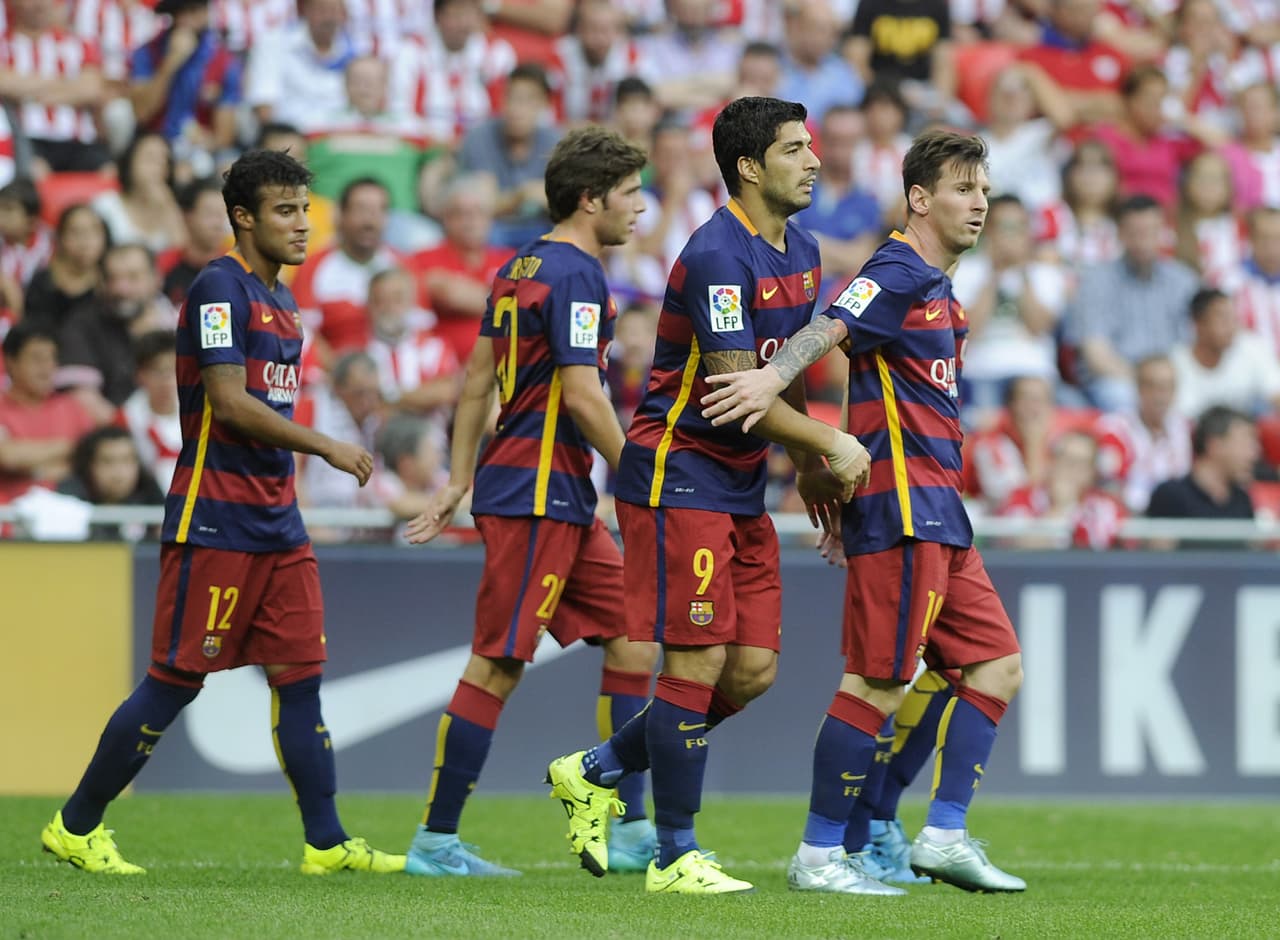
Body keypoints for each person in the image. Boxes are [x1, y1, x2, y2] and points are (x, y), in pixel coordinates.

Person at [39, 149, 404, 877]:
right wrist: (325, 445)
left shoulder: (286, 302)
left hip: (278, 521)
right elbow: (231, 403)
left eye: (306, 210)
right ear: (244, 217)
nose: (303, 225)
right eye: (285, 211)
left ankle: (326, 844)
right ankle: (75, 825)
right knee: (176, 679)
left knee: (301, 676)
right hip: (216, 517)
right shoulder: (217, 288)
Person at [545, 96, 871, 896]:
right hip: (678, 471)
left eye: (812, 144)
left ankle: (597, 769)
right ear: (751, 166)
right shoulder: (718, 254)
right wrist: (828, 441)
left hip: (741, 482)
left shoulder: (803, 248)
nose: (814, 160)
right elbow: (734, 389)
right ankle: (674, 854)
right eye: (795, 148)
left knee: (752, 669)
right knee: (694, 660)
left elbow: (781, 371)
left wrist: (806, 470)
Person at [700, 128, 1027, 893]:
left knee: (994, 666)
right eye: (961, 188)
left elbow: (862, 374)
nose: (978, 203)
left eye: (983, 190)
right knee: (877, 682)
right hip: (907, 505)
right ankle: (819, 855)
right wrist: (766, 378)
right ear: (920, 199)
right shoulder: (899, 265)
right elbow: (834, 325)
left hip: (940, 506)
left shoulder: (936, 284)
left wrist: (834, 479)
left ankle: (942, 834)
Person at [399, 127, 660, 878]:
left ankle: (631, 824)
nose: (639, 208)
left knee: (634, 636)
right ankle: (435, 841)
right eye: (630, 194)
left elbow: (477, 379)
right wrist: (638, 475)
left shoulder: (516, 268)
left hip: (557, 492)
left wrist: (456, 479)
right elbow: (583, 392)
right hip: (537, 494)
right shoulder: (577, 273)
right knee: (497, 664)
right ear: (591, 199)